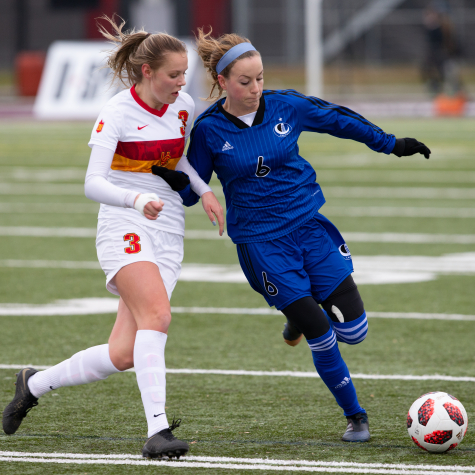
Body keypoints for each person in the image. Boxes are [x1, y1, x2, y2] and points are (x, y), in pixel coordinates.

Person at [181, 29, 431, 443]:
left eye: (260, 77)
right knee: (323, 334)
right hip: (262, 245)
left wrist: (391, 145)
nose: (256, 88)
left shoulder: (286, 106)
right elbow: (191, 190)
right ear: (222, 82)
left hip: (309, 229)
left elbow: (339, 120)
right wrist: (172, 182)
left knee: (355, 332)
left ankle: (295, 314)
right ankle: (356, 416)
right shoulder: (208, 130)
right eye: (246, 82)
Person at [2, 17, 223, 459]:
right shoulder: (117, 113)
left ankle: (34, 383)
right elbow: (92, 182)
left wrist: (204, 191)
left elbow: (176, 161)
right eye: (173, 75)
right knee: (157, 316)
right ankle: (158, 431)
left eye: (185, 74)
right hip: (124, 225)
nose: (182, 83)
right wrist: (135, 201)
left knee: (124, 352)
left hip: (168, 228)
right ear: (147, 72)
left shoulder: (183, 108)